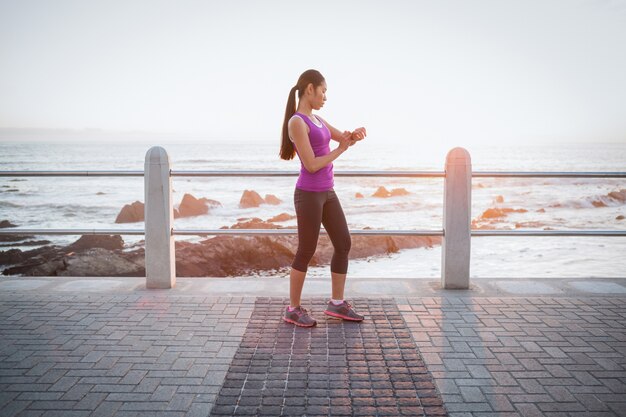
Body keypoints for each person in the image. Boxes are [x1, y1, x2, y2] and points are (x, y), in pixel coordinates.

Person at [279, 69, 367, 327]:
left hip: (327, 192)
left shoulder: (317, 119)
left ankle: (336, 303)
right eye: (323, 90)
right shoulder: (297, 122)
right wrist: (340, 149)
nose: (325, 96)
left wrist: (354, 135)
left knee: (343, 243)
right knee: (306, 250)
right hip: (308, 194)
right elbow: (312, 164)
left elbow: (344, 139)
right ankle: (292, 309)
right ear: (310, 89)